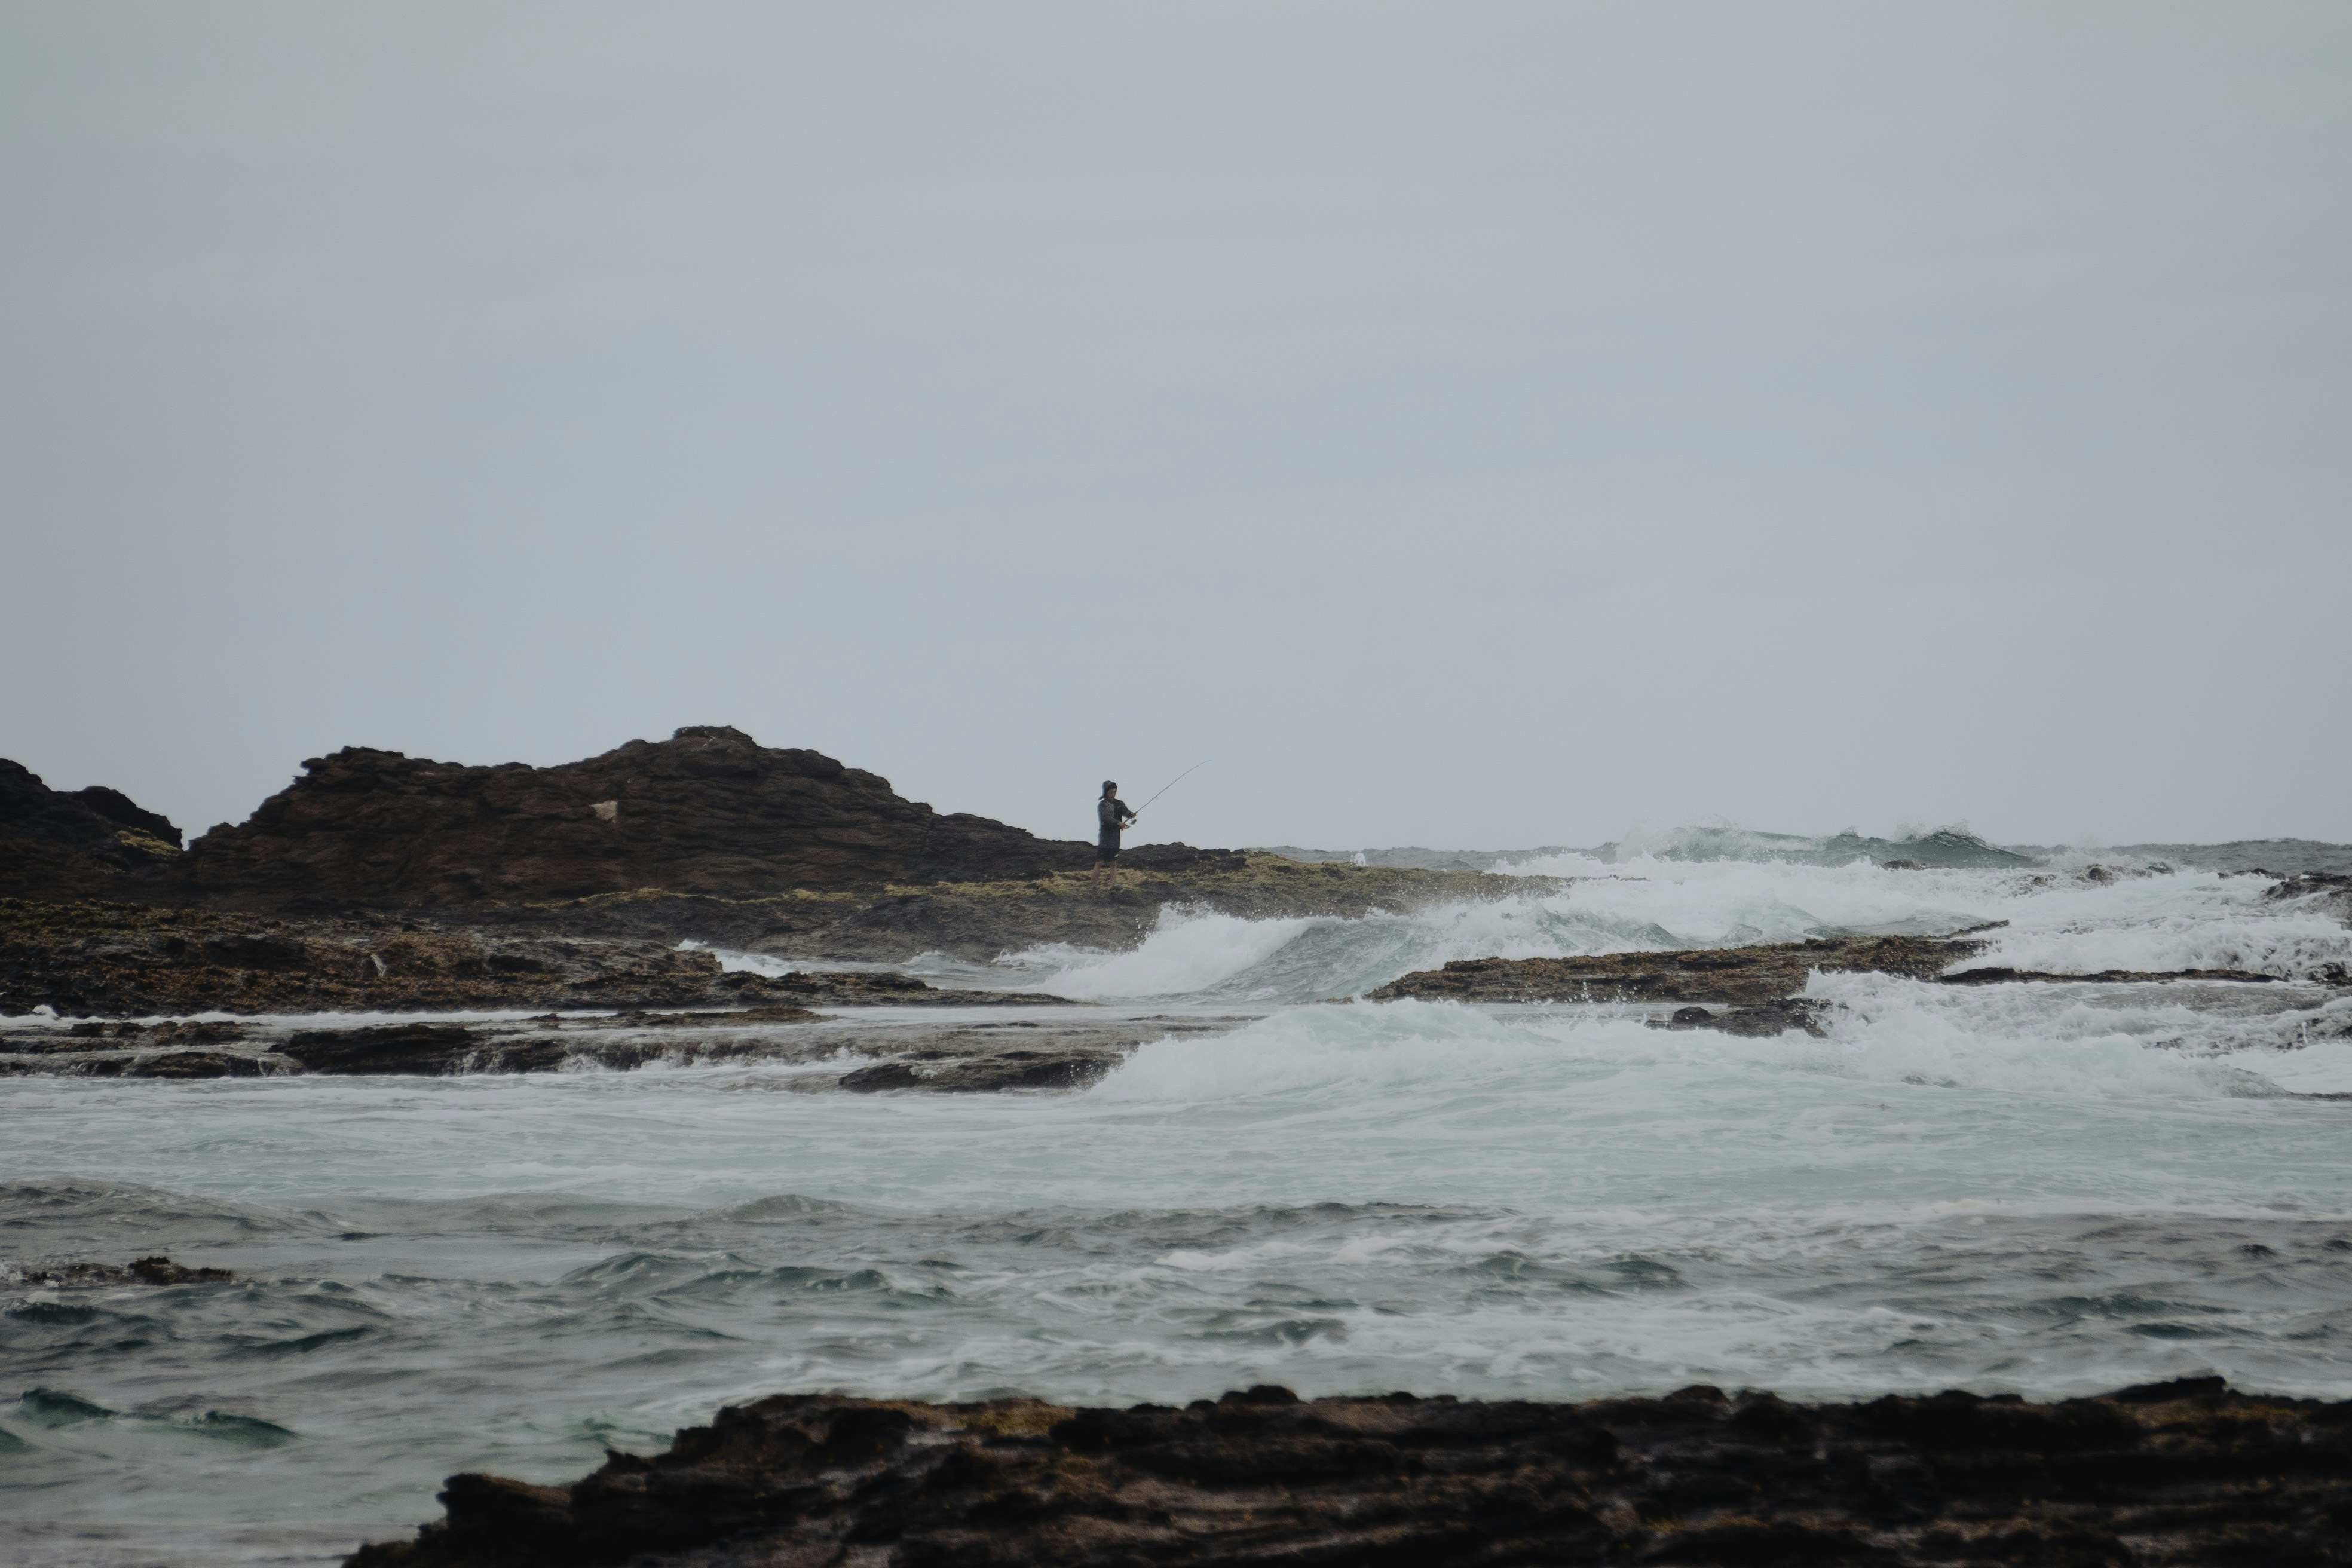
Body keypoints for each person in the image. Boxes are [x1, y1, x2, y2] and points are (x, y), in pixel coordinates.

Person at [1093, 780, 1138, 891]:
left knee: (1113, 863)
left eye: (1114, 792)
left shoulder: (1119, 803)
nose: (1113, 794)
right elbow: (1106, 818)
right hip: (1105, 837)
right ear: (1106, 792)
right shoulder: (1102, 804)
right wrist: (1119, 823)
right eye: (1111, 792)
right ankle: (1094, 886)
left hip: (1115, 838)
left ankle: (1112, 886)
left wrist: (1130, 815)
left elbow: (1126, 812)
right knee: (1099, 862)